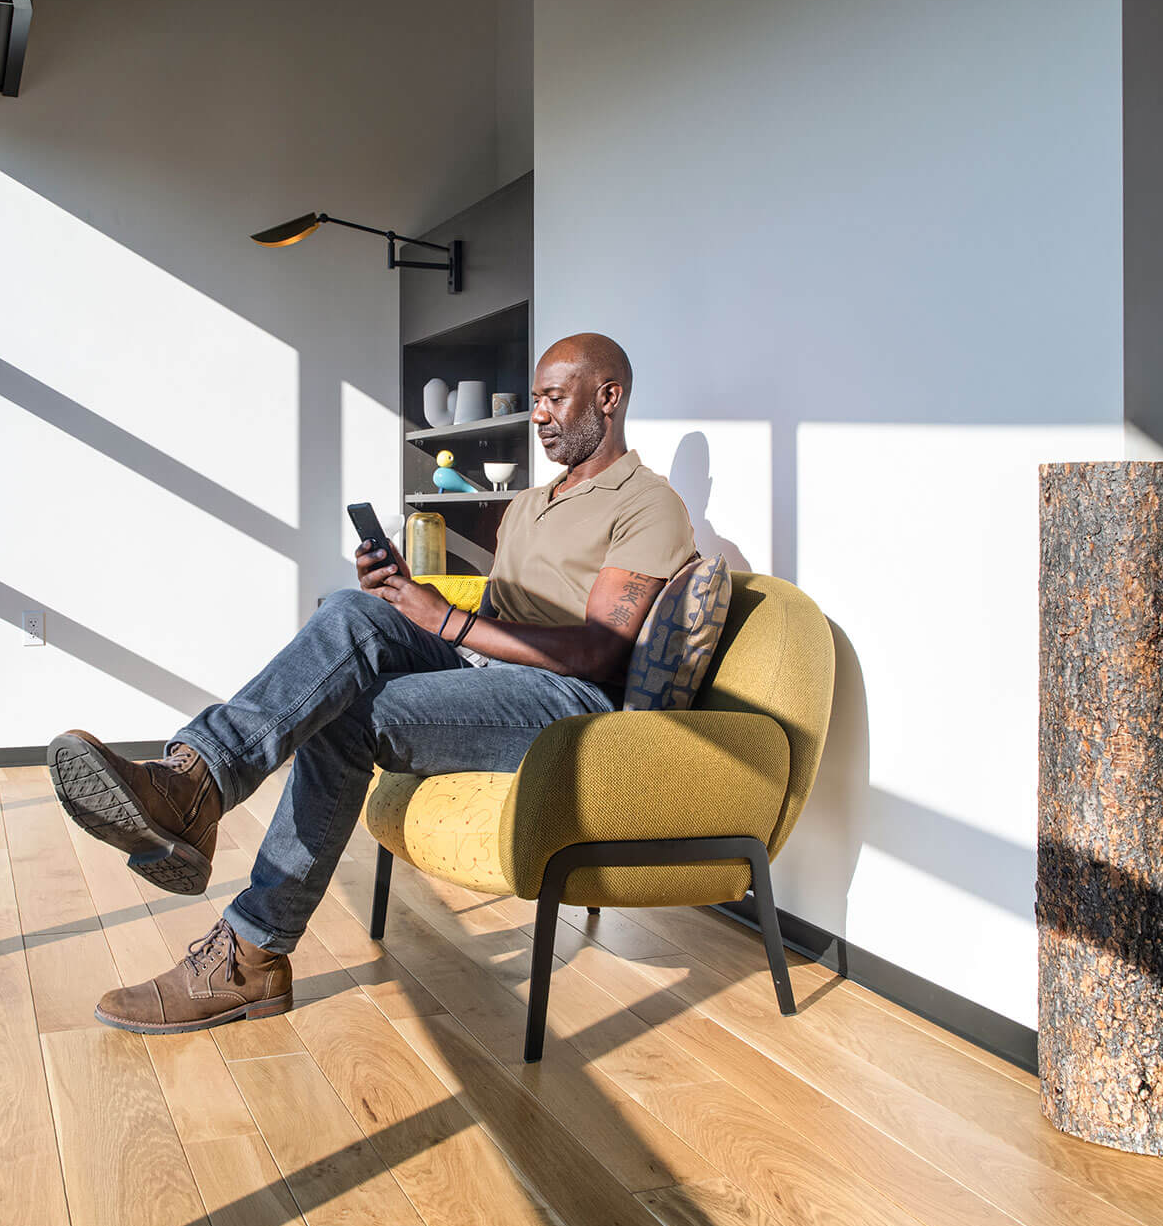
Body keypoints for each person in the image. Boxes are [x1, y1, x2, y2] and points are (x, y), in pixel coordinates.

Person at [48, 332, 696, 1033]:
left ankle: (251, 953)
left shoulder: (647, 504)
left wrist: (444, 619)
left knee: (350, 713)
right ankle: (196, 779)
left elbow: (598, 652)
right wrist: (410, 597)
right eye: (535, 398)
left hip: (565, 703)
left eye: (554, 398)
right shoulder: (532, 502)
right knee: (351, 608)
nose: (538, 414)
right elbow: (502, 616)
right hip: (491, 675)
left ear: (608, 397)